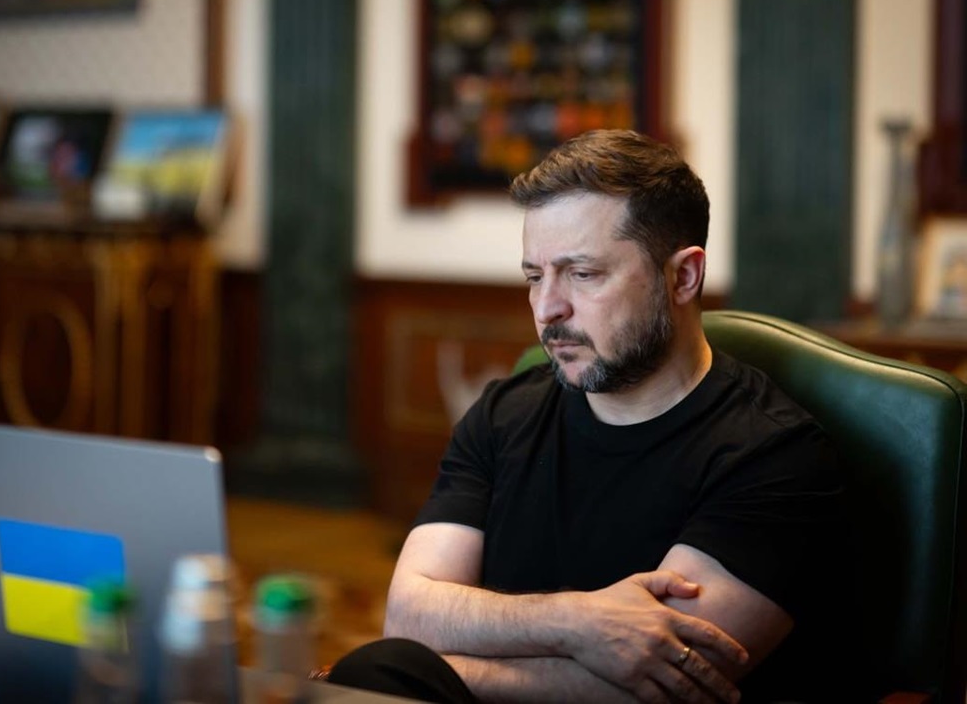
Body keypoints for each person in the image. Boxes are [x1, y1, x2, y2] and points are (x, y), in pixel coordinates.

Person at [328, 130, 849, 703]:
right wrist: (579, 620)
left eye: (582, 274)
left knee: (378, 673)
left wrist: (438, 672)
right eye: (535, 276)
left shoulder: (774, 455)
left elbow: (651, 687)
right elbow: (409, 615)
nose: (548, 308)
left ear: (683, 277)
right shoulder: (503, 414)